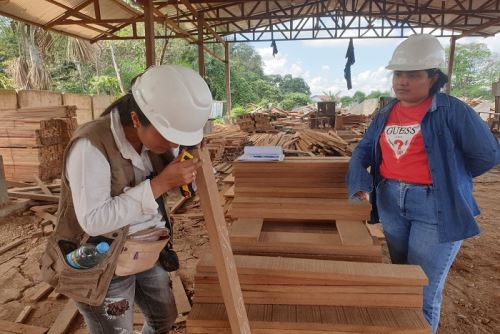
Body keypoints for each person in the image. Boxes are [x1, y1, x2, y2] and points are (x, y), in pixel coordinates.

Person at [40, 64, 213, 333]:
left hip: (146, 249)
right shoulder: (91, 145)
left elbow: (180, 185)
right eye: (168, 135)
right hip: (100, 259)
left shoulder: (155, 139)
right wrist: (160, 183)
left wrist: (186, 166)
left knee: (163, 320)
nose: (171, 143)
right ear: (135, 119)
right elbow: (94, 222)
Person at [346, 34, 499, 333]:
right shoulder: (387, 111)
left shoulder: (453, 110)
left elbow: (487, 155)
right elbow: (364, 149)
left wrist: (451, 178)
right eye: (398, 74)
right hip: (390, 200)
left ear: (433, 77)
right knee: (402, 277)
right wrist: (359, 182)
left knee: (423, 287)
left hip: (435, 205)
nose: (402, 81)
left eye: (413, 75)